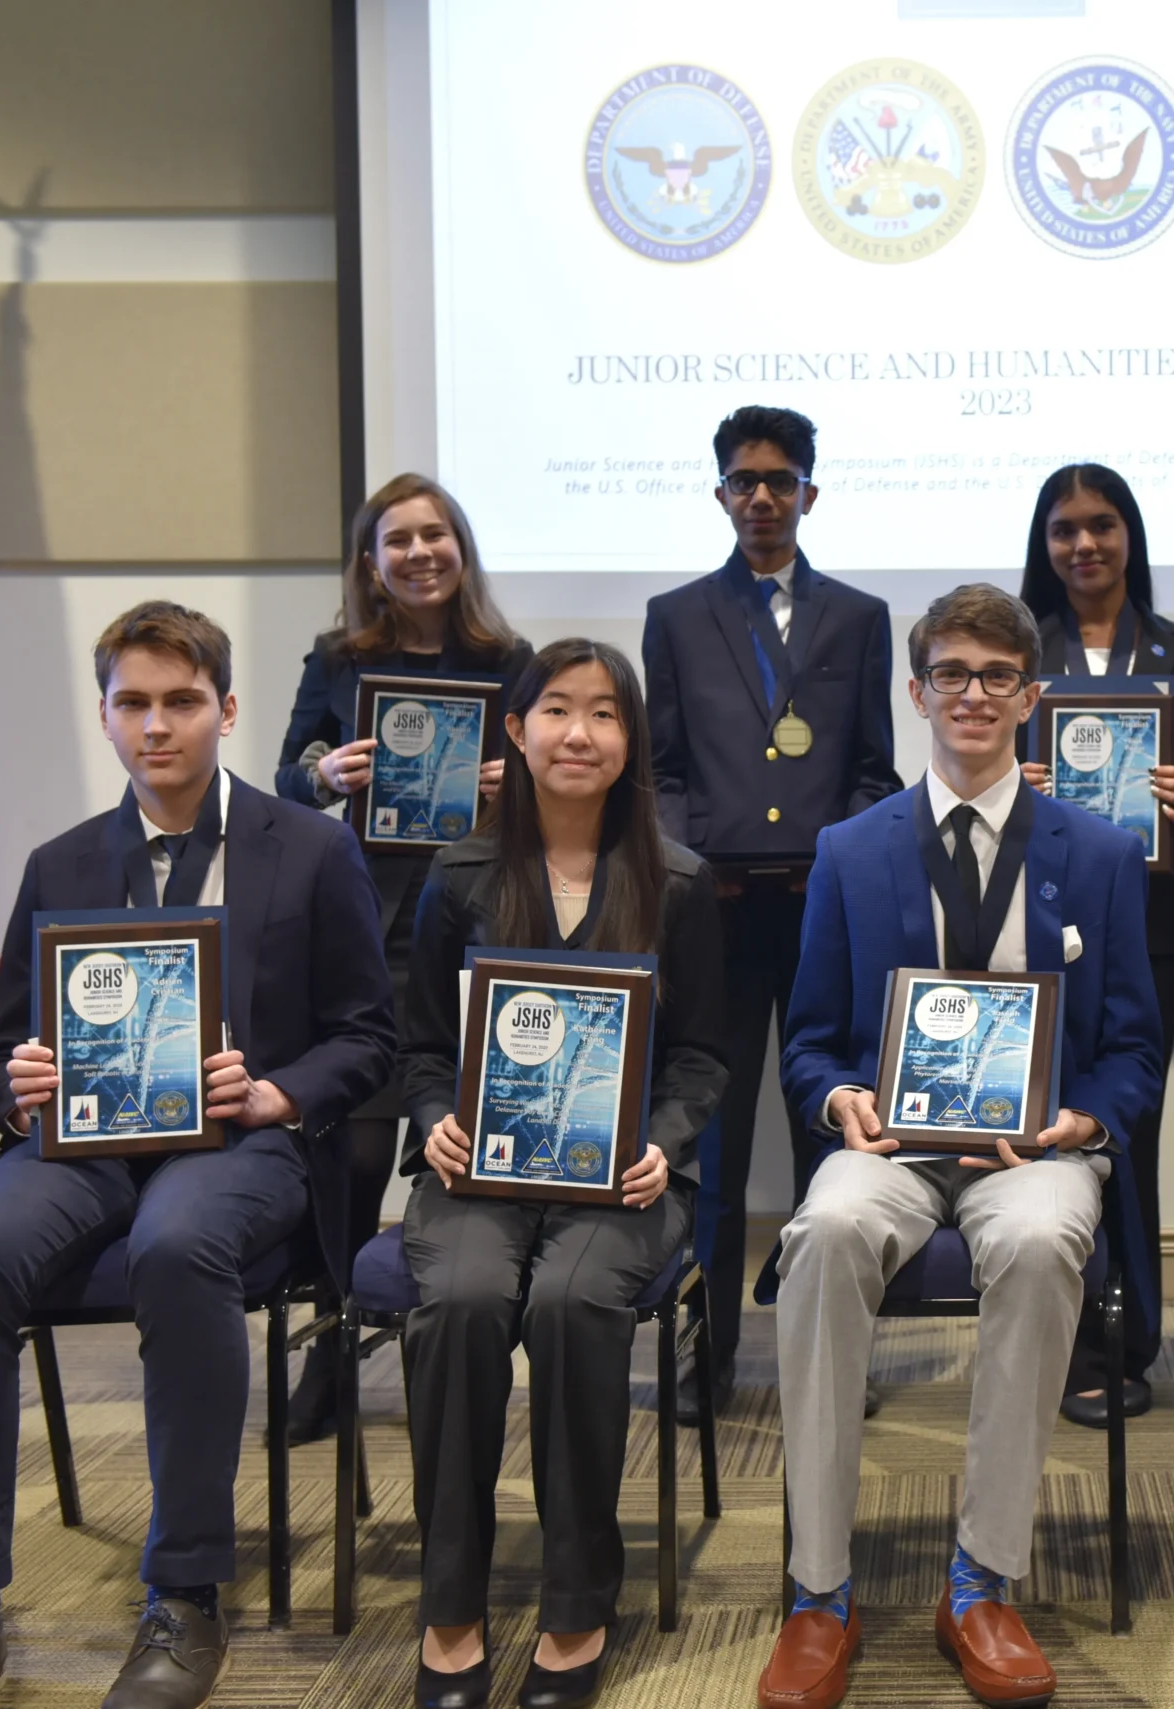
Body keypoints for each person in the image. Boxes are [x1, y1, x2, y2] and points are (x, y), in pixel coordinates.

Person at [0, 602, 395, 1709]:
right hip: (81, 1149)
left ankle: (185, 1590)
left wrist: (275, 1089)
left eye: (180, 701)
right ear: (107, 716)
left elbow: (369, 1035)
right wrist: (18, 1084)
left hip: (242, 1144)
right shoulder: (61, 861)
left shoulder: (313, 847)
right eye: (133, 703)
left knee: (176, 1246)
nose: (156, 725)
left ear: (224, 710)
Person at [756, 586, 1162, 1709]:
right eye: (951, 672)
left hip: (1035, 1151)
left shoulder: (1102, 849)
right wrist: (837, 1098)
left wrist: (1084, 1120)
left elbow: (1132, 1045)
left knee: (1039, 1247)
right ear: (915, 689)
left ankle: (982, 1578)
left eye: (996, 675)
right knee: (826, 1228)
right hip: (886, 1144)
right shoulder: (848, 848)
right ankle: (818, 1588)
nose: (972, 693)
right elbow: (812, 1039)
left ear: (1031, 695)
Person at [398, 639, 726, 1709]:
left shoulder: (678, 883)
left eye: (603, 713)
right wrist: (436, 1114)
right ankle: (451, 1605)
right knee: (457, 1297)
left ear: (632, 740)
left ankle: (577, 1598)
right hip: (478, 1171)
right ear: (515, 729)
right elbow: (413, 1044)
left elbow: (703, 1056)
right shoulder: (455, 875)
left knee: (575, 1299)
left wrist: (661, 1144)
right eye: (555, 709)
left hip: (622, 1178)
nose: (577, 733)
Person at [640, 404, 903, 1424]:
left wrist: (840, 860)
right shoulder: (675, 615)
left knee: (828, 1135)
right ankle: (705, 1357)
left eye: (779, 480)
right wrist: (687, 865)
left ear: (809, 493)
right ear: (719, 494)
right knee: (712, 1142)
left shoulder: (858, 616)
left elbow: (874, 766)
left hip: (820, 910)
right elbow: (661, 769)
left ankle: (828, 1353)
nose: (761, 497)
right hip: (713, 909)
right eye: (743, 481)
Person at [272, 471, 535, 1442]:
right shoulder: (337, 659)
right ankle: (333, 1341)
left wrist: (527, 780)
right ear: (372, 562)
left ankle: (471, 1336)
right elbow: (286, 775)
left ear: (460, 549)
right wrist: (321, 771)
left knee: (466, 1146)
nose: (420, 553)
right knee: (351, 1149)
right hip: (367, 921)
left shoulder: (511, 660)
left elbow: (564, 771)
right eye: (399, 541)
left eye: (437, 535)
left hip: (483, 921)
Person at [1015, 461, 1174, 1426]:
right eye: (1065, 529)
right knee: (1040, 1130)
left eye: (1102, 526)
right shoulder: (1017, 653)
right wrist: (1006, 777)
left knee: (1129, 1134)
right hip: (1032, 918)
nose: (1084, 545)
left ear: (1130, 535)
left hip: (1149, 923)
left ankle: (1129, 1341)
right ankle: (1050, 1336)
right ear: (1045, 543)